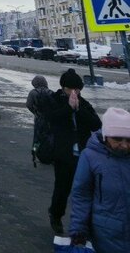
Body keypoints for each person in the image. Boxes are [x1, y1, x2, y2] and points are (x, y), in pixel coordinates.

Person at [45, 68, 103, 235]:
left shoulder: (83, 103)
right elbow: (50, 118)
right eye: (70, 88)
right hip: (63, 153)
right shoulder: (55, 99)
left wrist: (78, 110)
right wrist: (69, 109)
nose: (74, 92)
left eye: (77, 89)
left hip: (84, 154)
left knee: (86, 188)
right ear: (63, 87)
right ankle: (56, 215)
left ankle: (87, 222)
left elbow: (96, 124)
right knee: (62, 187)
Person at [68, 107, 130, 252]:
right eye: (117, 139)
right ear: (105, 135)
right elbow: (81, 195)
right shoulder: (90, 156)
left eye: (129, 140)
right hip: (105, 232)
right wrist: (78, 228)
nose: (124, 145)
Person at [26, 75, 51, 163]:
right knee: (49, 136)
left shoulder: (33, 92)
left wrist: (35, 112)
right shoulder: (50, 92)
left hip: (39, 118)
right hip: (49, 119)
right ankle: (49, 152)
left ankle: (35, 152)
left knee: (37, 137)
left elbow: (29, 105)